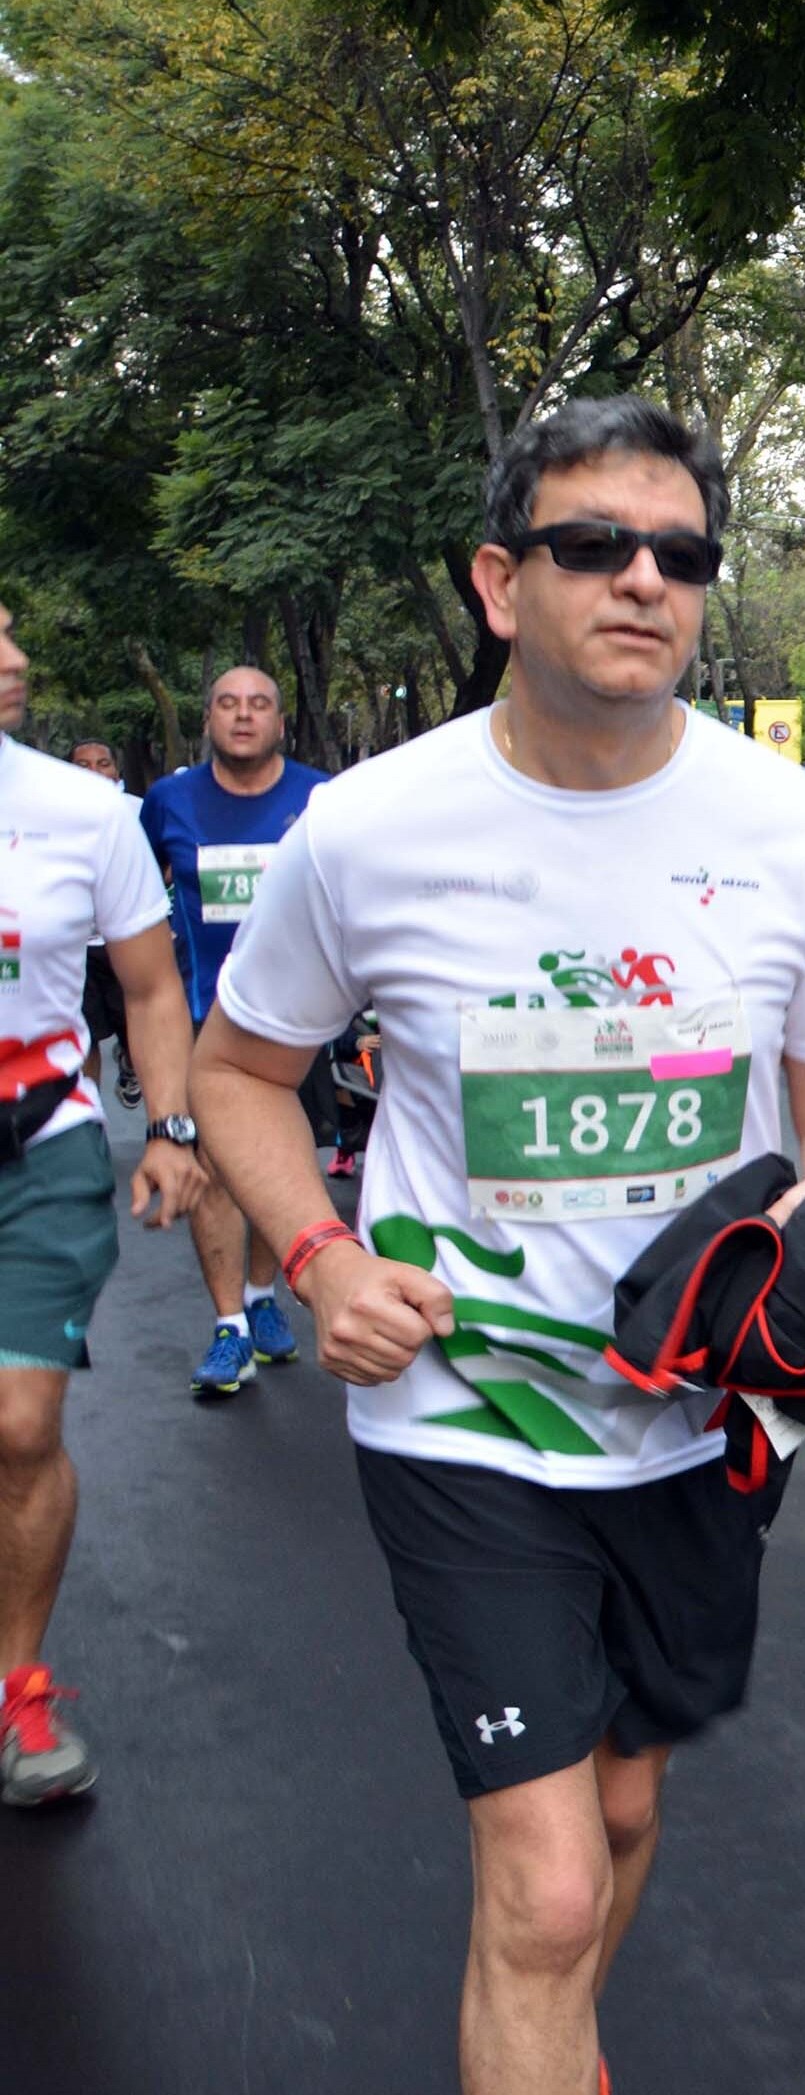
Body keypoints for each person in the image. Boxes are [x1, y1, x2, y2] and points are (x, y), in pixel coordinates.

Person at [189, 398, 805, 2095]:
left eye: (682, 554)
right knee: (550, 1879)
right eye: (594, 544)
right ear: (503, 582)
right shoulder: (369, 828)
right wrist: (320, 1260)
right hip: (464, 1410)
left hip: (697, 1415)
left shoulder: (794, 829)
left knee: (628, 1801)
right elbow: (236, 1070)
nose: (642, 580)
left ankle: (553, 2042)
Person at [0, 603, 209, 1809]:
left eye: (15, 637)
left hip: (39, 1152)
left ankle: (18, 1687)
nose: (20, 662)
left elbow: (149, 986)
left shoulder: (86, 814)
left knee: (21, 1427)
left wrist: (172, 1128)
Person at [141, 666, 329, 1397]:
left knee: (275, 1163)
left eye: (258, 705)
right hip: (199, 1018)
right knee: (213, 1167)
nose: (243, 716)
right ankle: (229, 1329)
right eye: (227, 703)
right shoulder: (168, 802)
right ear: (208, 719)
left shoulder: (320, 799)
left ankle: (261, 1299)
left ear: (280, 722)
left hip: (296, 1019)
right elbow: (132, 901)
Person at [63, 739, 140, 1113]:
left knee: (138, 1034)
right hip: (75, 948)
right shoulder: (51, 819)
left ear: (117, 773)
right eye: (82, 765)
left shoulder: (136, 812)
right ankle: (89, 1119)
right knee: (85, 1039)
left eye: (103, 763)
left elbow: (164, 864)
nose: (93, 772)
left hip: (127, 946)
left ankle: (133, 1065)